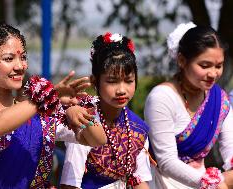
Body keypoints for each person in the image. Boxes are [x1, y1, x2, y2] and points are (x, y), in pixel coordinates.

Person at [0, 23, 107, 189]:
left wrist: (79, 113)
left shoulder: (38, 114)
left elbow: (97, 139)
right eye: (8, 59)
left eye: (23, 57)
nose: (20, 66)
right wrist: (48, 95)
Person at [144, 22, 233, 189]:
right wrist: (211, 183)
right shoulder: (161, 98)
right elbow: (167, 161)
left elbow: (230, 148)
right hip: (164, 182)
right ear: (182, 61)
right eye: (204, 65)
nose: (213, 74)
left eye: (219, 66)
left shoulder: (219, 99)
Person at [60, 32, 153, 189]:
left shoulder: (137, 127)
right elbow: (70, 184)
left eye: (129, 81)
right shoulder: (83, 119)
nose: (121, 90)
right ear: (95, 81)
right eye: (112, 81)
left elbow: (139, 179)